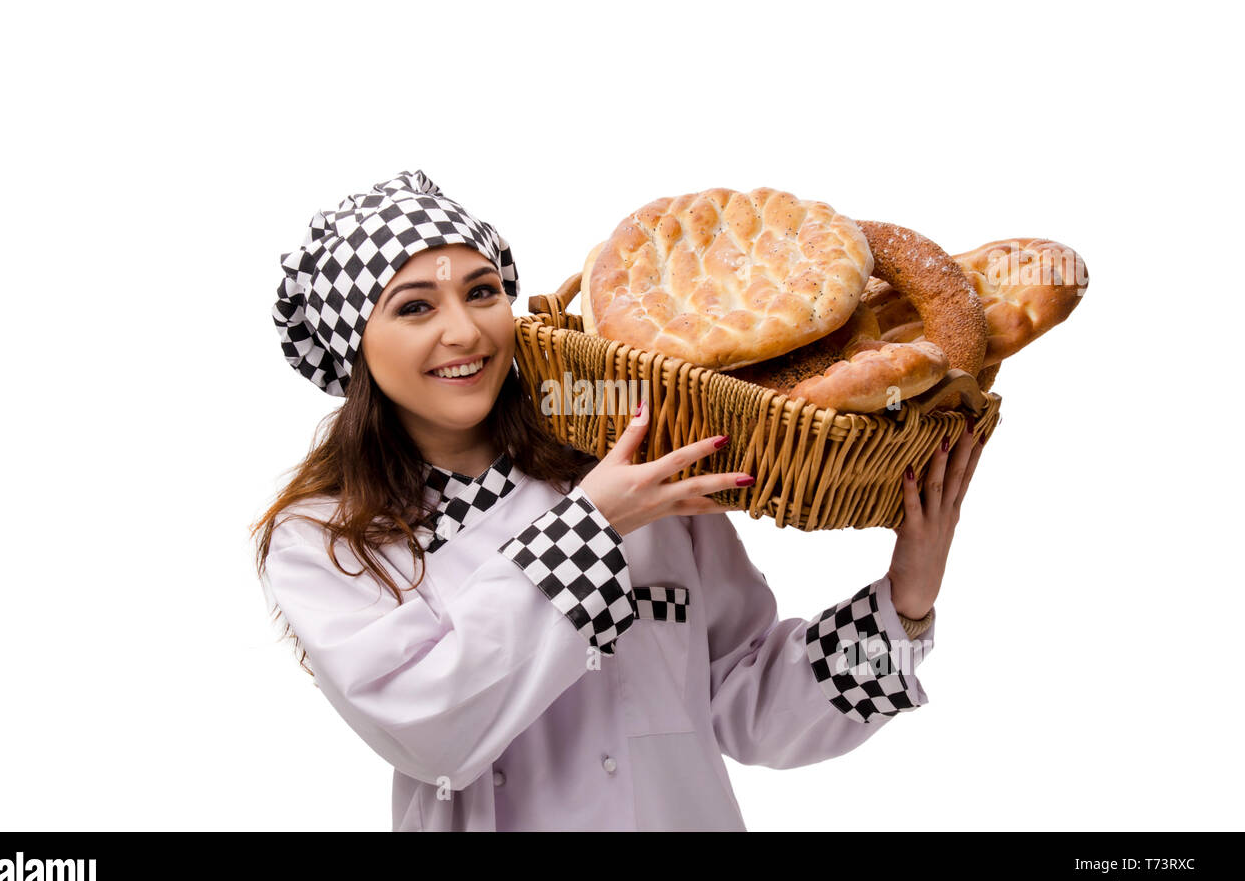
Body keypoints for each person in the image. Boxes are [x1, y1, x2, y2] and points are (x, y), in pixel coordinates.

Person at [251, 169, 984, 831]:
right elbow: (433, 730)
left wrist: (903, 607)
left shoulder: (623, 460)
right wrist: (593, 526)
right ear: (357, 347)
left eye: (482, 291)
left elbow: (752, 698)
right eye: (414, 307)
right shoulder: (324, 539)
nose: (465, 330)